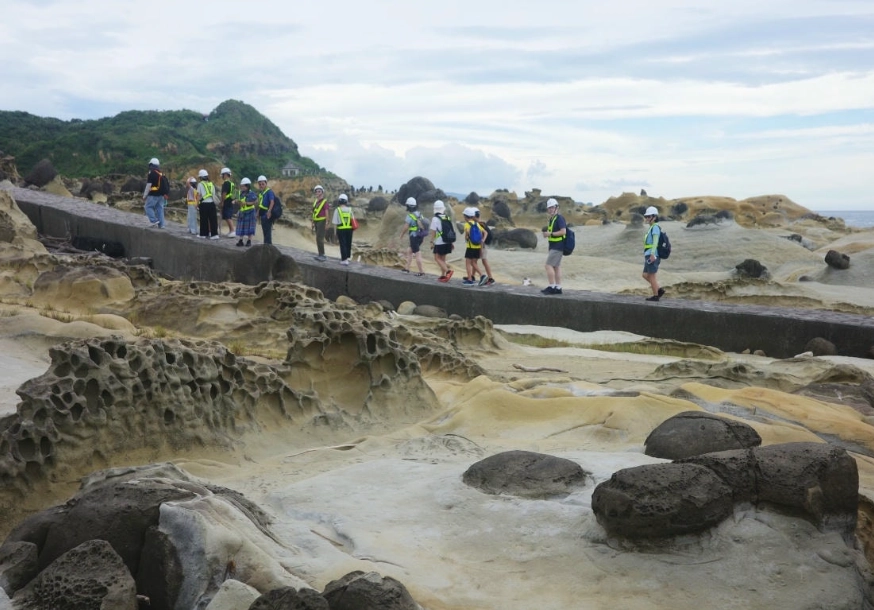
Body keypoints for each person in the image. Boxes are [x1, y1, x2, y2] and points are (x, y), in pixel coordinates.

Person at [541, 198, 566, 294]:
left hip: (558, 246)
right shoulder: (552, 219)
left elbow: (563, 231)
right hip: (554, 246)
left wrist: (550, 234)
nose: (550, 209)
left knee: (548, 265)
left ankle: (552, 287)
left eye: (552, 207)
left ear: (556, 208)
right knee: (556, 266)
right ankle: (558, 288)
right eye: (549, 208)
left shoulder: (559, 218)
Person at [643, 205, 666, 301]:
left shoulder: (655, 227)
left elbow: (655, 241)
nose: (647, 218)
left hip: (652, 254)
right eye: (646, 216)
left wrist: (652, 254)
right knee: (645, 275)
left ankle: (656, 296)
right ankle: (659, 290)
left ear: (654, 217)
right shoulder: (651, 227)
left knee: (651, 276)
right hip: (648, 254)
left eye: (649, 216)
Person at [429, 200, 453, 282]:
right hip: (447, 241)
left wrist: (432, 242)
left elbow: (433, 232)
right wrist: (451, 242)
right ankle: (443, 276)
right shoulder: (446, 217)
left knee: (437, 258)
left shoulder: (435, 219)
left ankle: (448, 272)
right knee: (443, 259)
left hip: (440, 242)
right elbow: (450, 230)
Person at [400, 197, 425, 276]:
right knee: (409, 251)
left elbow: (406, 227)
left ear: (409, 206)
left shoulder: (410, 216)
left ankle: (421, 272)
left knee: (417, 253)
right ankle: (407, 268)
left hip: (414, 236)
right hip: (420, 236)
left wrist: (401, 235)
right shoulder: (420, 214)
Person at [462, 207, 484, 285]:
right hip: (477, 246)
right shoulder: (477, 224)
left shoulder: (467, 225)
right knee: (474, 263)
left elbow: (466, 238)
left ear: (465, 216)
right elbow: (481, 235)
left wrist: (467, 236)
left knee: (468, 263)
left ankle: (470, 279)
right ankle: (481, 276)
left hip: (470, 247)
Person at [142, 157, 166, 228]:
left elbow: (148, 185)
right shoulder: (161, 173)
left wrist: (144, 196)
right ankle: (161, 225)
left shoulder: (152, 173)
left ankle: (154, 220)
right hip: (161, 195)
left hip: (153, 194)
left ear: (152, 165)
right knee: (160, 209)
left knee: (147, 207)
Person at [196, 169, 219, 239]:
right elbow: (214, 194)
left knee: (203, 219)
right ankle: (214, 234)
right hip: (212, 204)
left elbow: (198, 195)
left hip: (204, 204)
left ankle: (203, 234)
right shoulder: (211, 184)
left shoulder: (200, 184)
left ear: (201, 177)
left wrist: (197, 204)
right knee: (213, 219)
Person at [474, 208, 495, 286]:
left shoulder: (479, 225)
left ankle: (490, 278)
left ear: (474, 217)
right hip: (484, 245)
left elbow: (481, 237)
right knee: (475, 261)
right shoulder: (483, 223)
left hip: (482, 245)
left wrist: (480, 248)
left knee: (483, 261)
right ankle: (472, 276)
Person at [235, 177, 258, 247]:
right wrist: (238, 202)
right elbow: (239, 203)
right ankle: (241, 240)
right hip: (242, 212)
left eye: (243, 186)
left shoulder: (252, 194)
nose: (241, 187)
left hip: (250, 212)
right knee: (241, 227)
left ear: (247, 186)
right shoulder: (240, 193)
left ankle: (249, 240)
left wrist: (246, 203)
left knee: (250, 227)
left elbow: (255, 202)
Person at [332, 194, 355, 265]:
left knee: (343, 244)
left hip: (341, 229)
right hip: (349, 229)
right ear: (346, 202)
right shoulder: (350, 210)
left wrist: (335, 233)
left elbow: (335, 222)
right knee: (348, 243)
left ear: (339, 201)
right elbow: (353, 220)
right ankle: (347, 258)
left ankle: (344, 260)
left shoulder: (337, 210)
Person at [256, 175, 278, 245]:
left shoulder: (269, 192)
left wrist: (269, 211)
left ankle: (268, 247)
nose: (261, 185)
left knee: (267, 232)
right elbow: (261, 204)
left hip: (267, 214)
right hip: (262, 214)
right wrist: (258, 212)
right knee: (265, 232)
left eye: (263, 184)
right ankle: (266, 246)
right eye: (260, 184)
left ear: (266, 183)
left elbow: (272, 201)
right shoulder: (262, 193)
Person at [311, 185, 330, 261]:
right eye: (316, 191)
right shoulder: (316, 201)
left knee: (320, 238)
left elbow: (326, 212)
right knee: (318, 238)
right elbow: (313, 212)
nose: (317, 193)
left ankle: (322, 255)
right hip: (316, 221)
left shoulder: (324, 202)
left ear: (322, 192)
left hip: (322, 221)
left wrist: (327, 223)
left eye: (319, 191)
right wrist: (312, 221)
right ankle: (320, 254)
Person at [219, 167, 236, 237]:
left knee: (227, 217)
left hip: (226, 202)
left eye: (222, 175)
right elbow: (235, 194)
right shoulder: (232, 184)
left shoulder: (226, 183)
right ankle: (231, 231)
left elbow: (224, 193)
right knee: (228, 216)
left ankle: (232, 230)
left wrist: (222, 202)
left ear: (226, 174)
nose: (222, 176)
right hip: (231, 202)